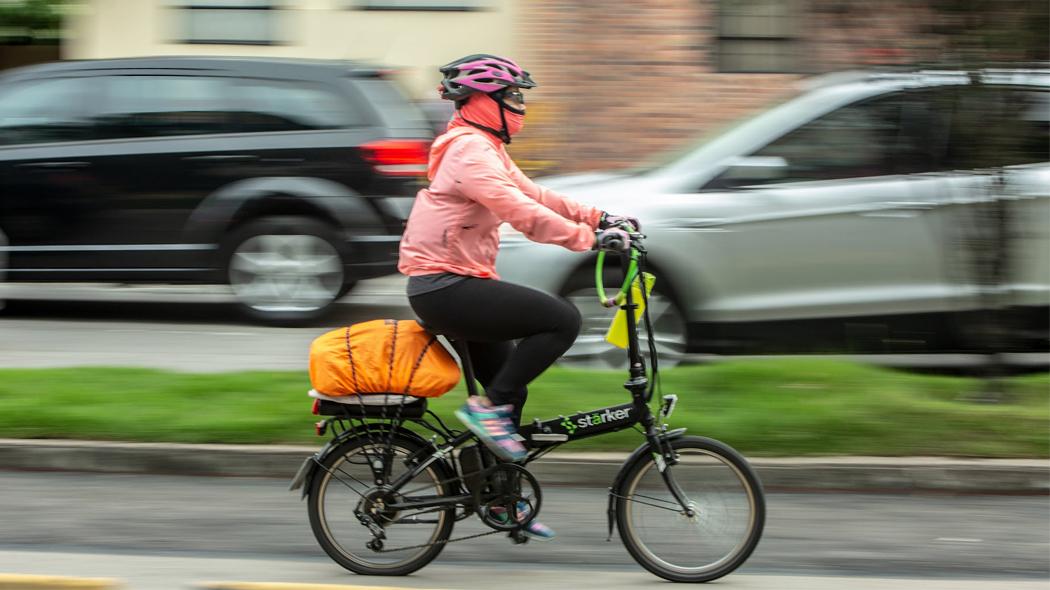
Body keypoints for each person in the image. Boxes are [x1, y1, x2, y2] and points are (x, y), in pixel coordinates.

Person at [398, 54, 637, 539]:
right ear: (483, 101)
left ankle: (497, 498)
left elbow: (536, 195)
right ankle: (487, 417)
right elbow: (517, 210)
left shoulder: (483, 148)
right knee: (561, 321)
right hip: (445, 287)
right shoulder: (468, 151)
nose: (520, 105)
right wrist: (588, 241)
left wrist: (600, 218)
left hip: (458, 282)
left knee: (510, 390)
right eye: (512, 96)